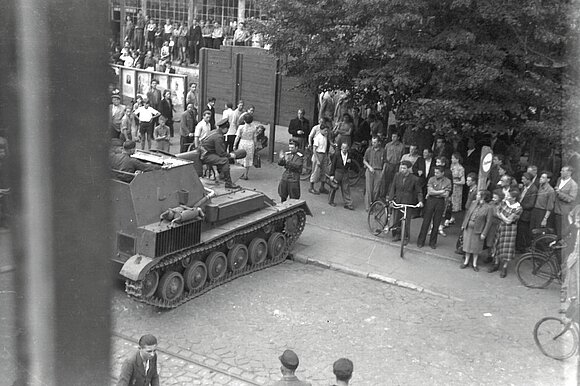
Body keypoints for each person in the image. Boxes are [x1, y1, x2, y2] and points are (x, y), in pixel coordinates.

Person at [387, 160, 424, 243]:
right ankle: (396, 234)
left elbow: (419, 191)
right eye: (401, 168)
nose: (402, 170)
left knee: (406, 220)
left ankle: (405, 237)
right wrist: (390, 199)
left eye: (404, 168)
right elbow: (393, 188)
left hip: (408, 202)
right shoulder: (397, 175)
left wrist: (420, 201)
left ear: (409, 169)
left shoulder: (415, 179)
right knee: (396, 219)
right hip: (398, 200)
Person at [417, 166, 451, 249]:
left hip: (440, 201)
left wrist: (435, 192)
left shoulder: (448, 181)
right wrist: (441, 191)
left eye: (437, 173)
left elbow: (446, 194)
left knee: (437, 222)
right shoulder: (431, 179)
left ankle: (433, 242)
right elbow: (430, 192)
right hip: (431, 200)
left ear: (443, 173)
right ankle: (420, 241)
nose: (435, 174)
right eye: (435, 172)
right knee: (426, 221)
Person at [490, 189, 523, 278]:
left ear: (514, 198)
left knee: (507, 249)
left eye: (509, 196)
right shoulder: (504, 203)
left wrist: (502, 216)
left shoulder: (518, 208)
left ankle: (504, 267)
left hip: (510, 230)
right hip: (501, 227)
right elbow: (497, 212)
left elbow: (509, 221)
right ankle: (496, 263)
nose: (507, 197)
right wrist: (503, 217)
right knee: (497, 244)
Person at [200, 118, 240, 189]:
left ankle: (220, 176)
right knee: (224, 160)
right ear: (224, 128)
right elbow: (221, 153)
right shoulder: (218, 137)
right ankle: (228, 183)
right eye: (227, 129)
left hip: (204, 153)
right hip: (206, 155)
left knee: (220, 159)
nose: (227, 131)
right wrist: (230, 155)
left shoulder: (213, 132)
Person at [460, 190, 494, 271]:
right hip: (468, 227)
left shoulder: (489, 208)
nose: (477, 196)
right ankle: (466, 261)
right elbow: (468, 214)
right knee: (467, 245)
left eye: (479, 195)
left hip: (478, 229)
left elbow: (489, 221)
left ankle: (474, 263)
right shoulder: (473, 203)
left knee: (476, 247)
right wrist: (463, 225)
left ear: (483, 197)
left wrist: (484, 233)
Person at [516, 172, 539, 252]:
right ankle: (518, 247)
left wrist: (519, 205)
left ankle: (522, 248)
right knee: (519, 231)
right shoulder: (524, 187)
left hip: (525, 214)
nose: (522, 181)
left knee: (523, 232)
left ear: (529, 180)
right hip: (519, 213)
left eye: (523, 179)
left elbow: (530, 204)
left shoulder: (533, 189)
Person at [363, 136, 387, 211]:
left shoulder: (383, 151)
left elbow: (385, 162)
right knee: (369, 189)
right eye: (372, 142)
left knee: (376, 190)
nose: (373, 143)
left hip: (379, 171)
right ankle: (368, 207)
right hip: (370, 170)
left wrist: (383, 172)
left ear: (379, 142)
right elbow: (364, 160)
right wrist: (369, 167)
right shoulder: (369, 150)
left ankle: (373, 205)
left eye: (375, 142)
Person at [328, 142, 355, 210]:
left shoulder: (349, 155)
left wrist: (350, 162)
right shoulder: (337, 154)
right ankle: (330, 201)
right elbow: (333, 165)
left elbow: (351, 165)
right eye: (343, 148)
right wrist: (332, 175)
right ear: (341, 148)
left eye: (345, 148)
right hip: (338, 172)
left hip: (345, 173)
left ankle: (348, 203)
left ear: (347, 148)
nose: (344, 149)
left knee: (346, 188)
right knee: (334, 187)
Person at [554, 165, 578, 239]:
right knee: (556, 230)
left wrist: (559, 193)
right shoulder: (559, 179)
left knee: (562, 231)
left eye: (563, 171)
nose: (561, 172)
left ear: (569, 173)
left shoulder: (573, 185)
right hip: (556, 209)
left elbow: (571, 199)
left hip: (563, 212)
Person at [234, 114, 258, 180]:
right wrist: (255, 145)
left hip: (243, 142)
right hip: (250, 143)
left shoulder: (241, 127)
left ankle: (242, 173)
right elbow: (255, 137)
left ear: (244, 120)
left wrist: (234, 145)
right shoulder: (254, 127)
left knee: (242, 157)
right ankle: (246, 174)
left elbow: (237, 137)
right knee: (248, 158)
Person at [309, 123, 330, 195]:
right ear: (321, 130)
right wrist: (317, 160)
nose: (326, 132)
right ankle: (311, 187)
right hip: (318, 154)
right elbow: (314, 150)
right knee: (315, 171)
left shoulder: (325, 136)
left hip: (324, 154)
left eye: (327, 131)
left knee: (324, 171)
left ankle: (322, 187)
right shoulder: (317, 137)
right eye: (325, 130)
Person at [383, 131, 405, 198]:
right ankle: (384, 195)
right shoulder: (388, 145)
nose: (393, 138)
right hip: (389, 165)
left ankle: (391, 195)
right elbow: (384, 154)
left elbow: (402, 156)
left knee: (394, 181)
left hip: (397, 165)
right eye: (392, 136)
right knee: (386, 180)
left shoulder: (401, 146)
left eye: (395, 136)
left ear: (398, 137)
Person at [449, 152, 465, 224]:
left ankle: (453, 217)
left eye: (453, 158)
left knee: (454, 202)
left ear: (457, 159)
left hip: (456, 187)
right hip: (450, 185)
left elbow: (463, 181)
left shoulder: (460, 168)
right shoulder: (451, 166)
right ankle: (448, 216)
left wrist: (454, 182)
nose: (451, 159)